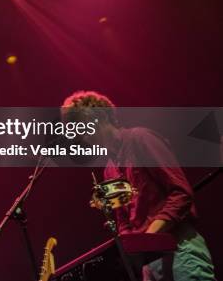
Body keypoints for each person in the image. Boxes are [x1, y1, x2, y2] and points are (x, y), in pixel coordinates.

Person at [60, 90, 216, 281]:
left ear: (99, 116)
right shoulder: (109, 169)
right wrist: (131, 246)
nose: (80, 136)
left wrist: (147, 238)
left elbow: (181, 192)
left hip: (179, 248)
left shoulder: (140, 138)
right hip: (149, 261)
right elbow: (124, 221)